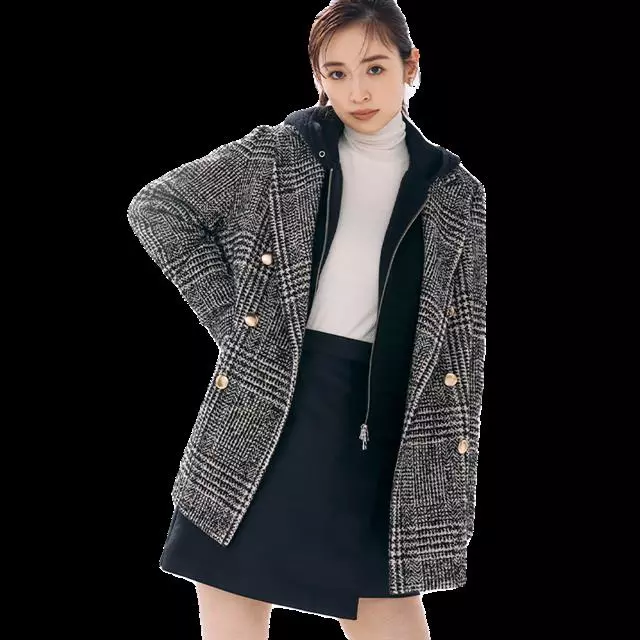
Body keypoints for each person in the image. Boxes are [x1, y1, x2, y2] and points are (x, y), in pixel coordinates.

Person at [126, 1, 487, 638]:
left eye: (374, 68)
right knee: (230, 597)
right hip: (269, 401)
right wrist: (242, 324)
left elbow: (464, 340)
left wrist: (446, 460)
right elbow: (158, 209)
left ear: (411, 67)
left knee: (386, 608)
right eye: (336, 73)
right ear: (319, 77)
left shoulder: (455, 193)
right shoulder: (279, 154)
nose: (357, 91)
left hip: (380, 414)